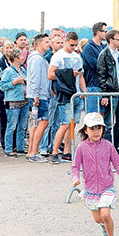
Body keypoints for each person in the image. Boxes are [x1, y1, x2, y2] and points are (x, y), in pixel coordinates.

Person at [71, 112, 119, 236]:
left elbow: (117, 163)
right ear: (85, 130)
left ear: (103, 129)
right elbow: (75, 167)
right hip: (91, 189)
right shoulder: (81, 147)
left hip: (107, 187)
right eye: (92, 128)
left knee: (105, 213)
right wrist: (75, 178)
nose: (96, 132)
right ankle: (104, 226)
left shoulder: (108, 145)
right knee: (98, 219)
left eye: (99, 128)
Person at [49, 31, 86, 165]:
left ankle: (67, 152)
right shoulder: (58, 56)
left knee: (72, 124)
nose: (73, 47)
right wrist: (69, 74)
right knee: (65, 124)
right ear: (66, 42)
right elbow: (50, 74)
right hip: (65, 94)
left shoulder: (77, 56)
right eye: (71, 45)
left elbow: (81, 76)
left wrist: (84, 91)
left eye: (76, 45)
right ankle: (54, 152)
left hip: (76, 94)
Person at [97, 29, 119, 156]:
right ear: (111, 40)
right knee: (108, 123)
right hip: (111, 91)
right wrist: (104, 94)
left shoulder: (117, 54)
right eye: (118, 39)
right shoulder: (104, 54)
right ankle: (107, 150)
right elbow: (102, 75)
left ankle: (114, 147)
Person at [0, 48, 30, 157]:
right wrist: (14, 82)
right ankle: (8, 148)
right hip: (13, 101)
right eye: (21, 56)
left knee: (22, 126)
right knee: (11, 125)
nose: (23, 58)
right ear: (16, 58)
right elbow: (2, 86)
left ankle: (20, 147)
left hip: (25, 100)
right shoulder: (8, 71)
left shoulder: (23, 69)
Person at [26, 33, 51, 163]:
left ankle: (31, 151)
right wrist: (36, 94)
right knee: (43, 122)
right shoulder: (36, 59)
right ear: (39, 43)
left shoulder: (38, 58)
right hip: (38, 95)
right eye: (46, 42)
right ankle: (34, 152)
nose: (49, 43)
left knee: (36, 123)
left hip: (39, 94)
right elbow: (35, 78)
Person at [82, 22, 108, 114]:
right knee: (92, 116)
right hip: (92, 85)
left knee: (102, 114)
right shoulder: (88, 47)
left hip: (103, 85)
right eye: (105, 31)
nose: (106, 33)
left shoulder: (103, 47)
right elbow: (96, 65)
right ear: (98, 32)